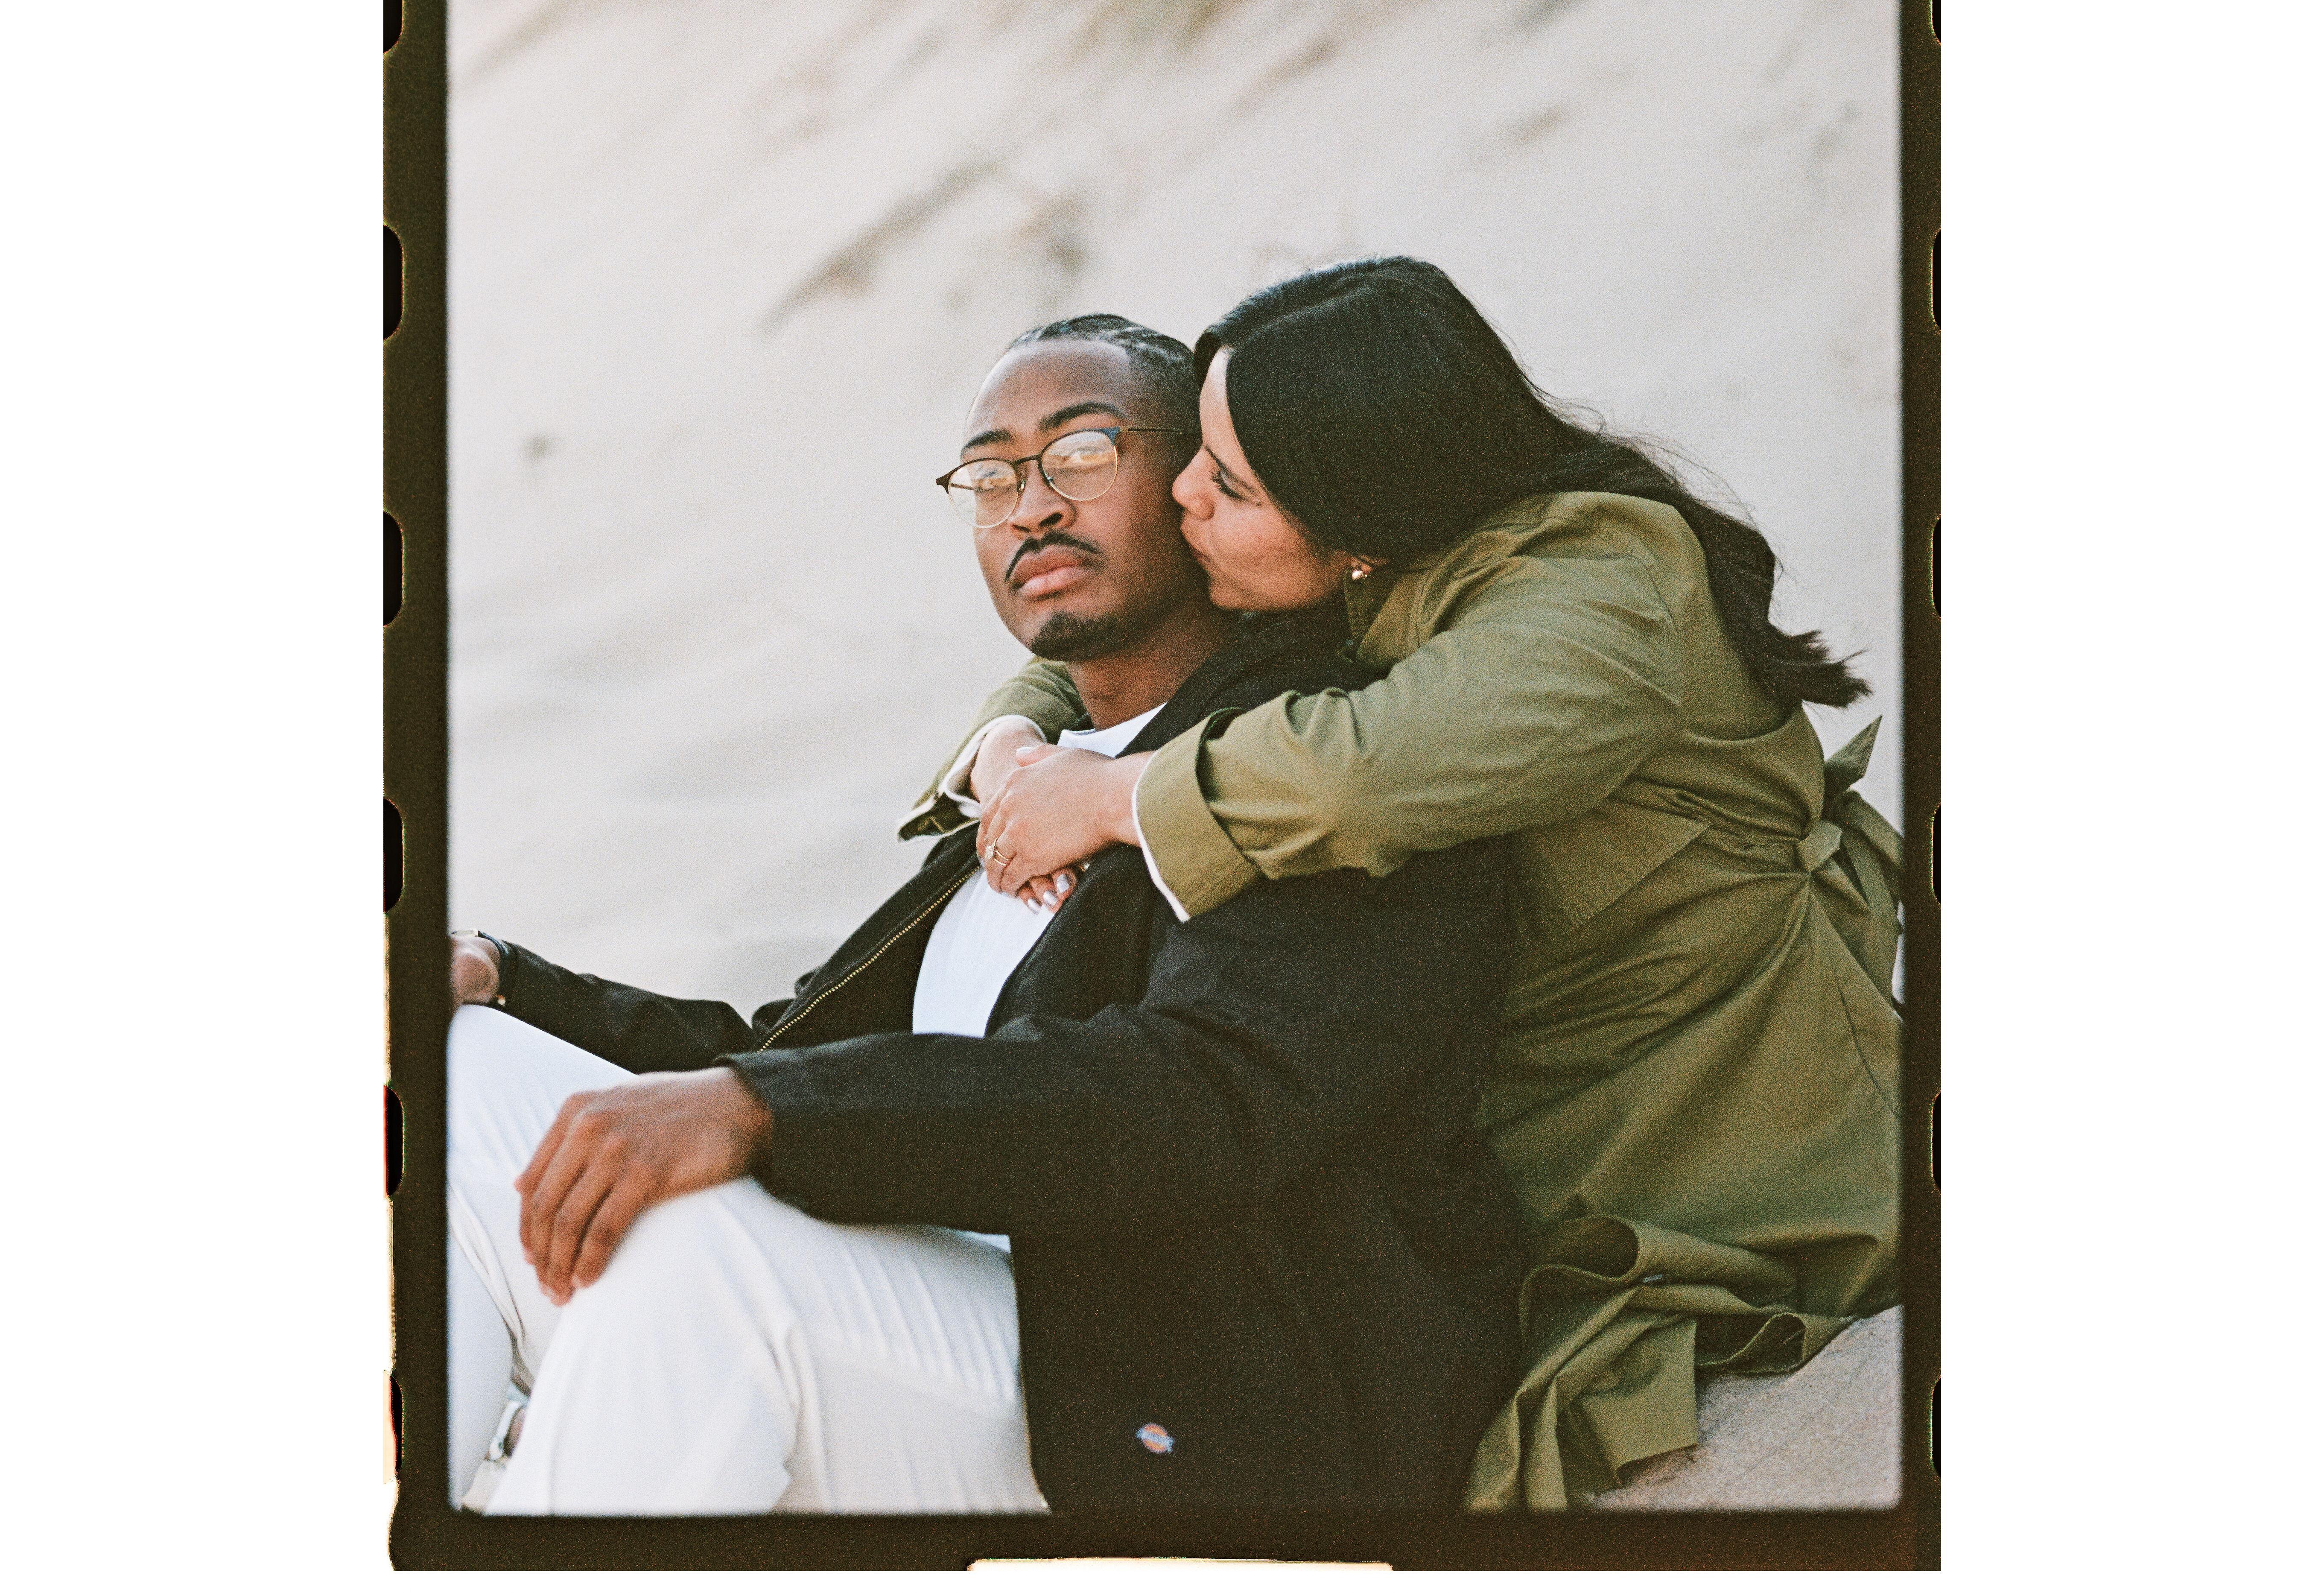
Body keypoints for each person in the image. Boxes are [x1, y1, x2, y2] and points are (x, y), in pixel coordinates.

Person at [445, 313, 1527, 1515]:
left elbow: (1194, 1094)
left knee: (703, 1265)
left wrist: (767, 1110)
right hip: (933, 1327)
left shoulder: (1308, 763)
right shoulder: (1031, 782)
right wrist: (508, 978)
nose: (1032, 507)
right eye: (991, 477)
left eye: (1081, 453)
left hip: (1160, 1393)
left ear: (1198, 483)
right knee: (446, 1065)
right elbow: (799, 1054)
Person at [963, 260, 1904, 1511]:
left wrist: (1113, 796)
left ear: (1354, 503)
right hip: (1521, 1167)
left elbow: (1376, 766)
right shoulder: (1365, 569)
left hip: (1731, 1144)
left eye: (1226, 482)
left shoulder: (1600, 581)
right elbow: (1127, 624)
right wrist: (1012, 733)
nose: (1184, 497)